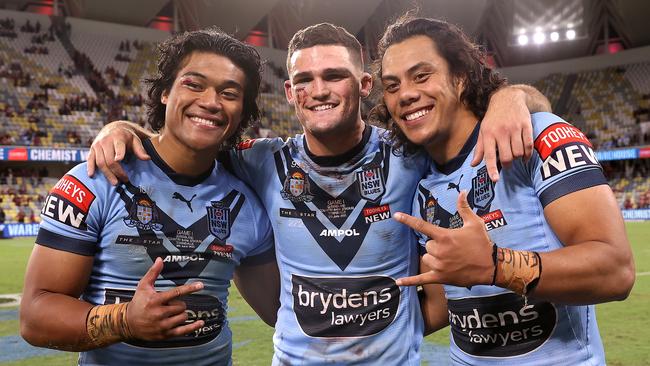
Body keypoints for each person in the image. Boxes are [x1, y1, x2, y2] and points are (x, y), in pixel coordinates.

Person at [87, 23, 550, 364]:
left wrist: (513, 97)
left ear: (365, 86)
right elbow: (187, 141)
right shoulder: (257, 160)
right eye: (304, 81)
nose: (319, 90)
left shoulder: (411, 151)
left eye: (335, 76)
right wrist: (122, 130)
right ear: (289, 92)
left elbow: (513, 113)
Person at [373, 16, 635, 364]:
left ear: (461, 77)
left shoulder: (539, 135)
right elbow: (438, 308)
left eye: (422, 76)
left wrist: (496, 265)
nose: (405, 94)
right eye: (392, 86)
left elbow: (615, 271)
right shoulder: (417, 184)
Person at [20, 27, 279, 365]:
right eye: (194, 84)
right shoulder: (98, 179)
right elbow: (35, 314)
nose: (211, 102)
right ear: (165, 93)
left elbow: (279, 311)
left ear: (243, 111)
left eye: (229, 93)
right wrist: (124, 320)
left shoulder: (248, 202)